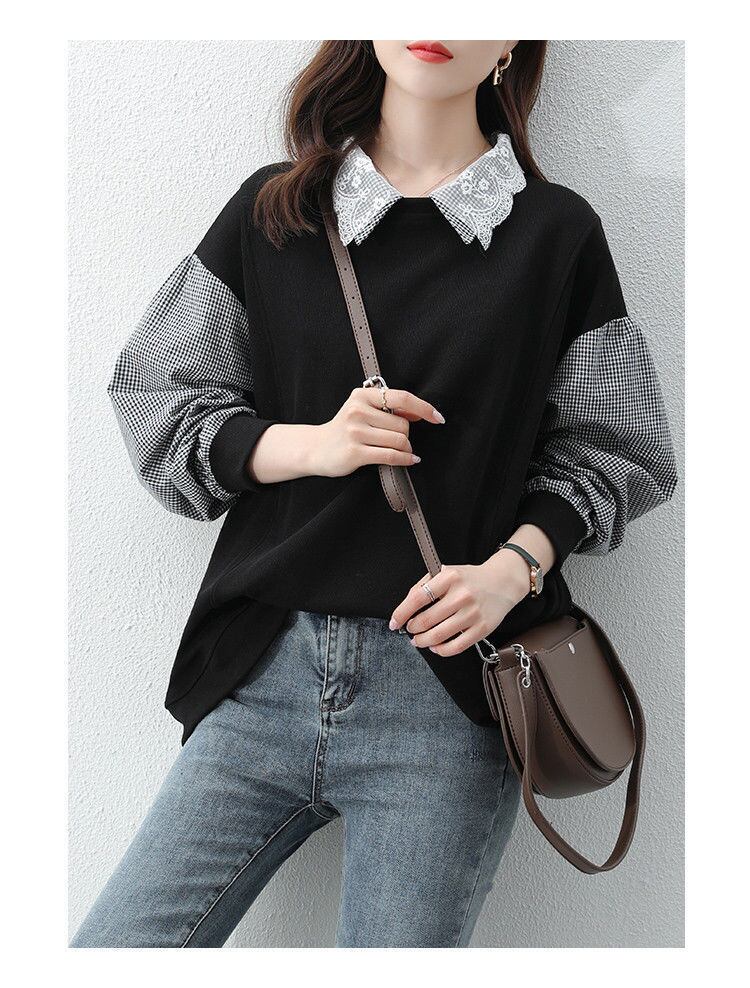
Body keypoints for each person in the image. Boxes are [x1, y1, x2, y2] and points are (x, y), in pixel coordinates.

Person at [72, 39, 677, 948]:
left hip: (447, 696)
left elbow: (619, 442)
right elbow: (156, 390)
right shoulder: (275, 212)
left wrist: (512, 570)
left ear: (512, 42)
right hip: (262, 670)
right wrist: (313, 445)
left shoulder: (555, 233)